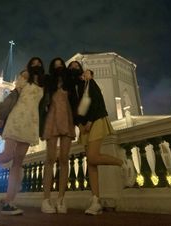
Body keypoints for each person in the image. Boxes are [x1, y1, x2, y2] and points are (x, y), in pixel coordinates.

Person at [0, 57, 45, 215]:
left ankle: (9, 201)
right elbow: (11, 97)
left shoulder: (44, 84)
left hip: (31, 123)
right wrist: (2, 116)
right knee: (8, 154)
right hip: (16, 119)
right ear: (29, 66)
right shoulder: (24, 78)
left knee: (18, 163)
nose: (36, 66)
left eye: (39, 64)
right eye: (34, 64)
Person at [73, 68, 128, 215]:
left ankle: (122, 163)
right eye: (83, 72)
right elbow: (81, 108)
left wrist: (90, 120)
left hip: (95, 121)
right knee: (91, 164)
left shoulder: (92, 84)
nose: (84, 74)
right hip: (85, 126)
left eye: (87, 72)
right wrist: (81, 123)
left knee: (92, 156)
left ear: (91, 75)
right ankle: (96, 200)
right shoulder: (83, 88)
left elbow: (97, 101)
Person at [41, 57, 76, 214]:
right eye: (55, 65)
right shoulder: (49, 81)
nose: (58, 67)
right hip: (52, 117)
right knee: (49, 159)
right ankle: (46, 199)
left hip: (67, 117)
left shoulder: (69, 81)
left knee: (64, 159)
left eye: (61, 65)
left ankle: (61, 199)